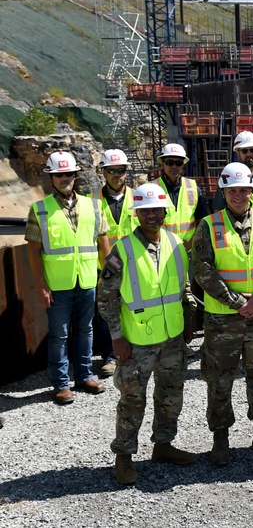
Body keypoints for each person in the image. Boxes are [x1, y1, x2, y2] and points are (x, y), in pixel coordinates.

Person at [95, 183, 198, 485]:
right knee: (132, 401)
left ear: (165, 211)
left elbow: (184, 288)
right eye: (146, 210)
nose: (152, 215)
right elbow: (106, 297)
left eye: (157, 209)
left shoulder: (177, 244)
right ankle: (124, 457)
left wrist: (189, 320)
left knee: (170, 395)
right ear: (137, 213)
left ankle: (163, 446)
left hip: (172, 338)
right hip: (137, 342)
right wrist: (116, 335)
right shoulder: (122, 249)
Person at [193, 162, 253, 465]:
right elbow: (203, 271)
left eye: (244, 189)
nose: (238, 195)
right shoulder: (208, 225)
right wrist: (238, 302)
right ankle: (220, 438)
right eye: (232, 190)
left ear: (252, 191)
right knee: (219, 378)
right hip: (223, 319)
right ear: (224, 192)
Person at [26, 151, 111, 405]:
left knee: (86, 330)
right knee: (59, 335)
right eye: (59, 174)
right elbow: (33, 251)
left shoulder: (94, 206)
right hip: (57, 285)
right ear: (51, 178)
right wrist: (42, 286)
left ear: (76, 175)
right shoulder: (39, 210)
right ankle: (61, 384)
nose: (65, 178)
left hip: (87, 281)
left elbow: (103, 243)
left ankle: (85, 376)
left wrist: (107, 279)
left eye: (69, 174)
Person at [91, 148, 139, 379]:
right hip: (106, 267)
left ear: (126, 172)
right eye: (111, 170)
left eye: (121, 170)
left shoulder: (137, 197)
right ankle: (110, 356)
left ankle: (135, 347)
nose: (116, 175)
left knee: (134, 304)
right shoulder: (93, 201)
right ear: (103, 172)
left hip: (135, 264)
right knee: (108, 310)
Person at [157, 143, 210, 250]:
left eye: (178, 163)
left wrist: (192, 242)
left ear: (183, 165)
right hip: (161, 249)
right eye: (169, 162)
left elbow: (202, 221)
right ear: (162, 164)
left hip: (188, 249)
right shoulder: (152, 188)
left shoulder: (193, 187)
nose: (174, 166)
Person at [211, 131, 253, 212]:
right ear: (237, 153)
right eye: (244, 151)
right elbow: (218, 210)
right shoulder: (228, 175)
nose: (249, 154)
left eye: (252, 150)